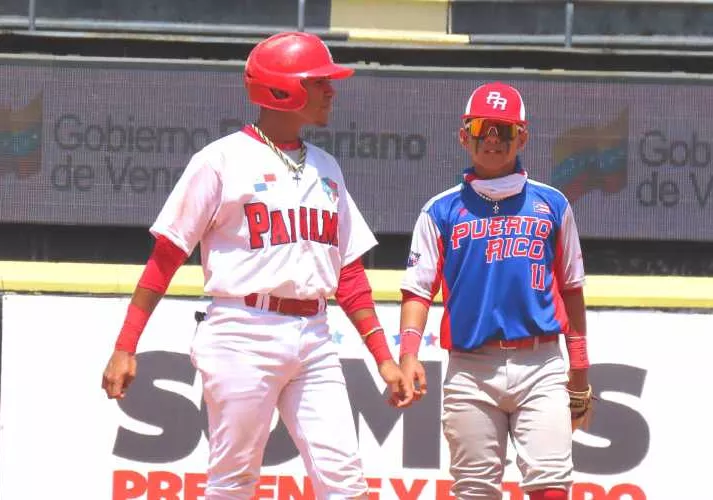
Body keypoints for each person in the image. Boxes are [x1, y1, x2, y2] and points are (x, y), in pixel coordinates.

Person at [101, 31, 413, 500]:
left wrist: (383, 358)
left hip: (314, 335)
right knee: (234, 483)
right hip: (242, 331)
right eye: (319, 81)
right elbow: (166, 256)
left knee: (346, 482)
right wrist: (126, 345)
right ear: (283, 90)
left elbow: (347, 272)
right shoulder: (221, 160)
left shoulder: (327, 166)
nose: (332, 90)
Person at [396, 82, 594, 500]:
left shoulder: (554, 204)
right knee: (474, 492)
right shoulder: (440, 210)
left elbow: (572, 289)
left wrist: (579, 375)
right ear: (463, 134)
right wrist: (409, 353)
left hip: (540, 363)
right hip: (470, 368)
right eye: (482, 128)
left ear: (522, 137)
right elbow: (417, 290)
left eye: (503, 130)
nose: (491, 139)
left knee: (552, 489)